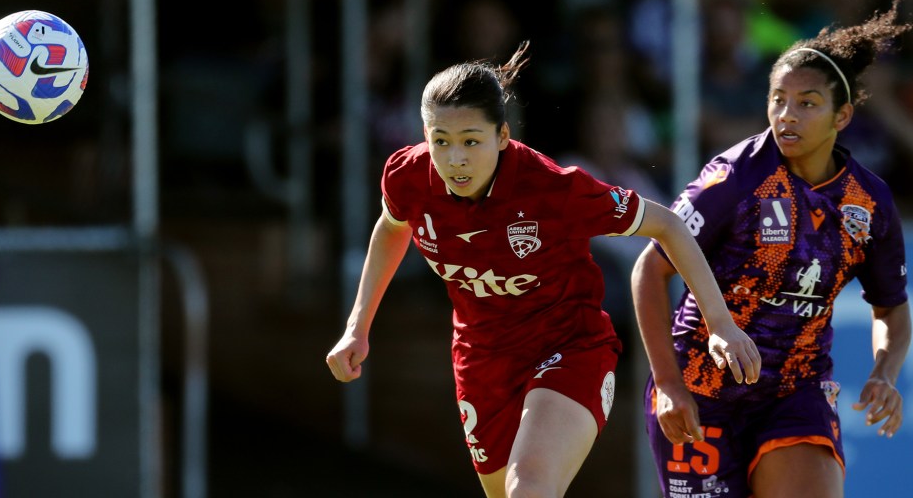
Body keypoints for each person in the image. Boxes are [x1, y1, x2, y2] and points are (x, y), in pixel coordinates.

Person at [325, 42, 758, 498]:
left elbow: (667, 224)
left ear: (503, 136)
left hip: (570, 348)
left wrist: (721, 323)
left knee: (528, 486)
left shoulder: (553, 190)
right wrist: (357, 328)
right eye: (440, 141)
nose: (455, 159)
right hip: (482, 360)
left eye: (472, 141)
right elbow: (393, 228)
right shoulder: (408, 176)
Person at [632, 0, 913, 498]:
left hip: (796, 390)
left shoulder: (868, 201)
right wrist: (670, 385)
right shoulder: (736, 177)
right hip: (702, 388)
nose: (787, 115)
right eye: (778, 99)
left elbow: (891, 309)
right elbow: (649, 271)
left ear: (842, 116)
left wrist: (884, 372)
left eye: (807, 103)